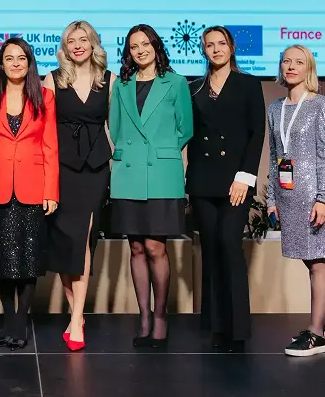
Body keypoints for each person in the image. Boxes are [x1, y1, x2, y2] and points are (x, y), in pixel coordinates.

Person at [0, 37, 59, 350]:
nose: (16, 63)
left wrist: (51, 191)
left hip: (33, 187)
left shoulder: (45, 97)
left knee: (29, 259)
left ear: (29, 63)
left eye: (21, 58)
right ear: (1, 64)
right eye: (9, 58)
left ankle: (21, 321)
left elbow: (50, 147)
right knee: (2, 259)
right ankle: (9, 319)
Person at [109, 23, 193, 350]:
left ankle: (160, 316)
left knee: (156, 247)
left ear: (156, 47)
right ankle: (143, 316)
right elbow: (116, 127)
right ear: (128, 52)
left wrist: (161, 150)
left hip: (161, 174)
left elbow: (185, 128)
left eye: (145, 44)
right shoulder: (122, 85)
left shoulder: (176, 82)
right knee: (136, 248)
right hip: (128, 174)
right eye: (134, 46)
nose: (140, 50)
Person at [187, 26, 266, 353]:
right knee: (210, 250)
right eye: (210, 45)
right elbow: (190, 133)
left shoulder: (249, 84)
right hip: (203, 179)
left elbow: (256, 133)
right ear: (204, 50)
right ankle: (217, 327)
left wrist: (244, 177)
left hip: (236, 180)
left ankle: (238, 330)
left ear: (231, 47)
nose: (216, 49)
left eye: (221, 43)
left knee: (229, 244)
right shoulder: (194, 87)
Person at [265, 44, 325, 357]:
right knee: (313, 259)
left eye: (299, 62)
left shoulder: (322, 106)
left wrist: (323, 198)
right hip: (287, 194)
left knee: (317, 260)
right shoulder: (274, 108)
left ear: (309, 68)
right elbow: (274, 155)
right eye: (286, 61)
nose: (291, 66)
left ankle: (316, 333)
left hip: (312, 195)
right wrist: (271, 198)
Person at [43, 20, 115, 351]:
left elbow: (116, 127)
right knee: (65, 241)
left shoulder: (109, 80)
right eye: (71, 41)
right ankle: (77, 314)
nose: (77, 45)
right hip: (62, 169)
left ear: (93, 43)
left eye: (83, 39)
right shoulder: (53, 79)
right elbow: (44, 131)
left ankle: (75, 320)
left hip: (95, 169)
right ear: (65, 47)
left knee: (84, 239)